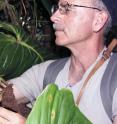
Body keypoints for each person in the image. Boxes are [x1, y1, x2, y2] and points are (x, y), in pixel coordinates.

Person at [0, 0, 117, 123]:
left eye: (66, 8)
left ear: (98, 21)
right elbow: (6, 92)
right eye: (57, 8)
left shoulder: (112, 77)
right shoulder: (47, 72)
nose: (53, 17)